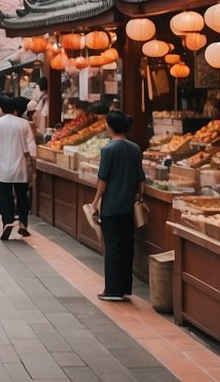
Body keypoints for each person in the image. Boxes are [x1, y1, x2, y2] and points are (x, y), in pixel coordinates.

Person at [90, 110, 146, 302]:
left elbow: (103, 179)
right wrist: (140, 197)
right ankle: (124, 287)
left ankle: (112, 289)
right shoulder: (135, 149)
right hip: (128, 207)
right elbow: (141, 179)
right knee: (127, 246)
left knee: (112, 247)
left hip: (112, 207)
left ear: (110, 126)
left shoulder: (108, 150)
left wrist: (96, 201)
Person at [0, 95, 36, 241]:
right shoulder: (23, 124)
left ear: (1, 108)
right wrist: (33, 166)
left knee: (5, 196)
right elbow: (31, 148)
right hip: (20, 167)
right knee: (22, 195)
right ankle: (23, 223)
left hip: (2, 168)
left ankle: (7, 221)